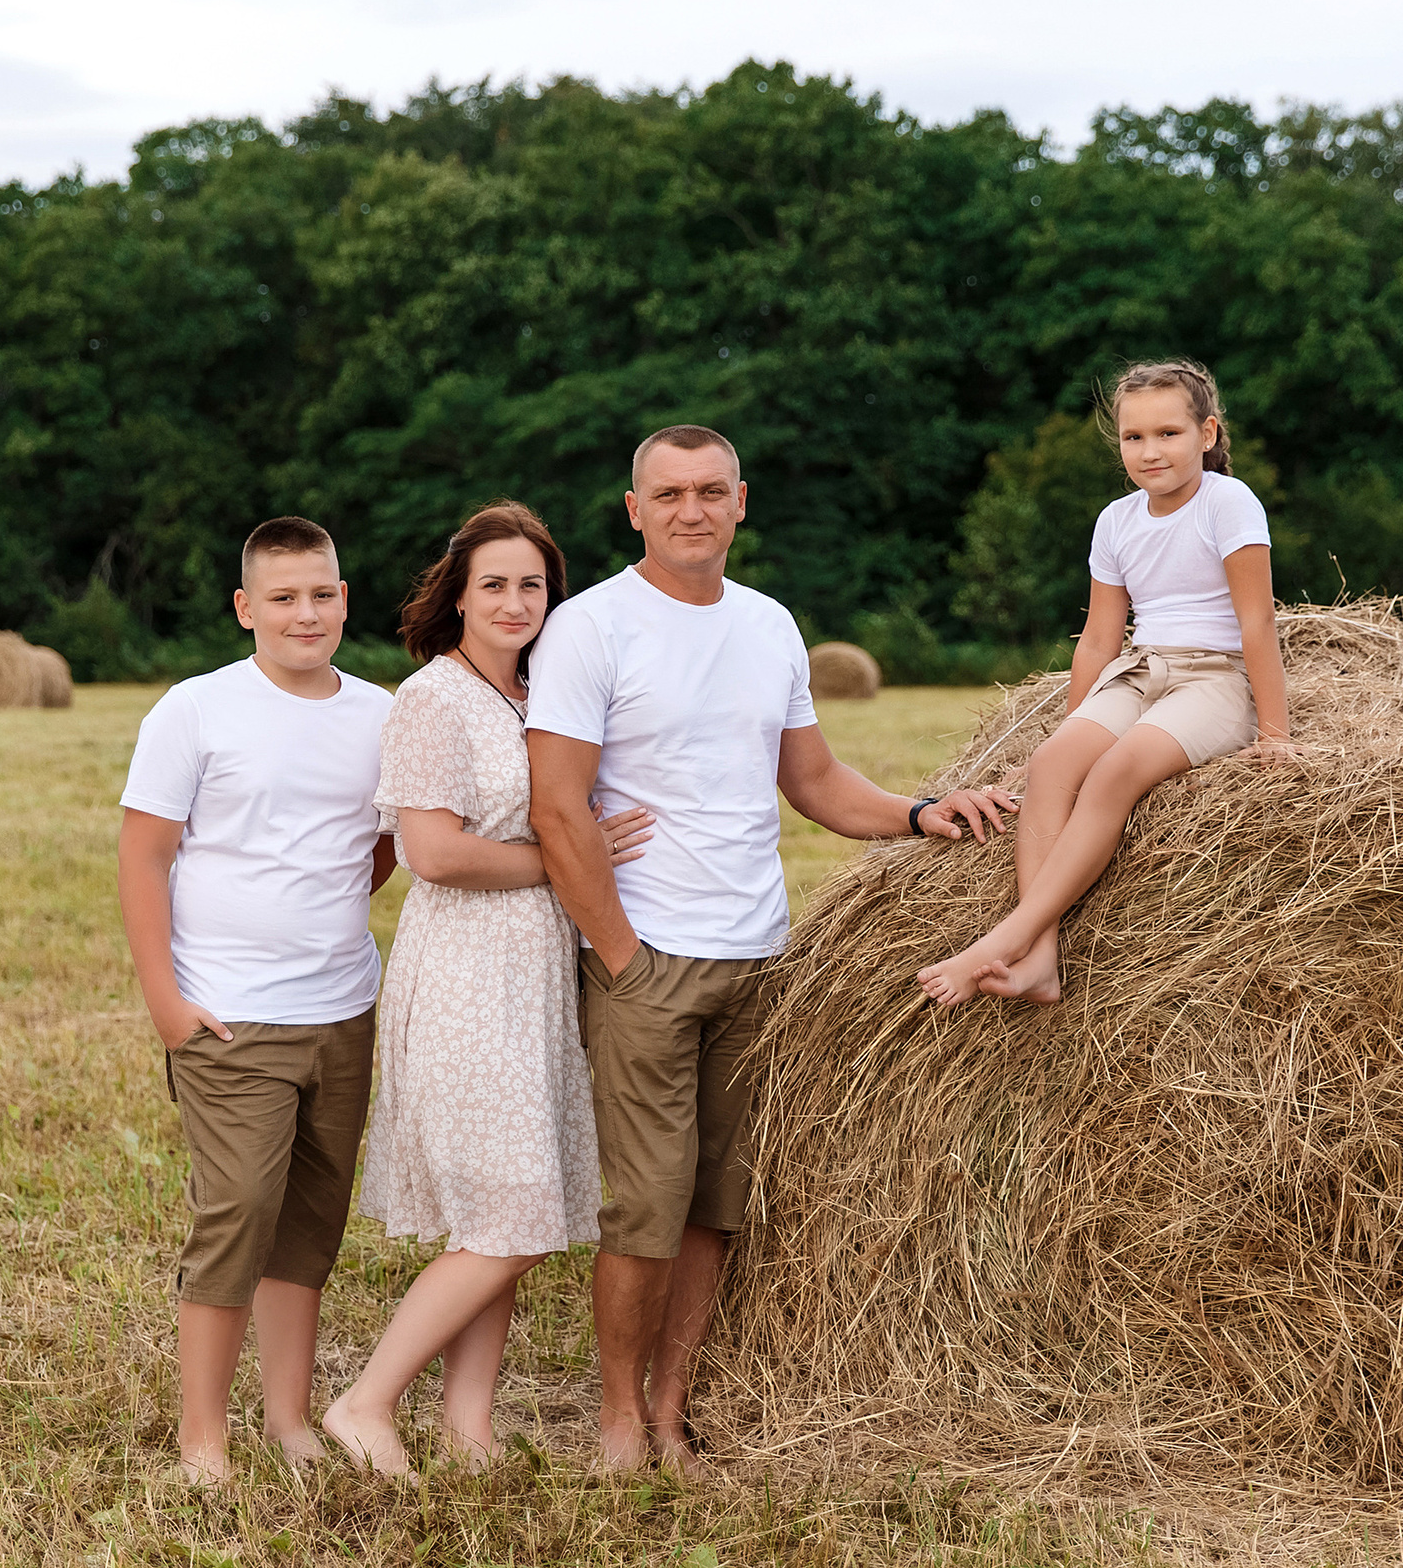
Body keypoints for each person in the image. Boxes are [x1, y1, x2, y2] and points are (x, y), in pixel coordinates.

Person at [525, 425, 1020, 1471]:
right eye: (668, 494)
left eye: (710, 491)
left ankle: (671, 1405)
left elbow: (815, 783)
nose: (690, 510)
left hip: (759, 959)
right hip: (647, 956)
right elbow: (559, 812)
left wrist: (924, 809)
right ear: (633, 509)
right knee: (645, 1204)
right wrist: (620, 957)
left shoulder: (770, 627)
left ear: (740, 502)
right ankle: (617, 1419)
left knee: (718, 1201)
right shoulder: (589, 628)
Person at [322, 503, 656, 1477]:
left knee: (505, 1213)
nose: (516, 601)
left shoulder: (534, 695)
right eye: (495, 584)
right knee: (511, 1215)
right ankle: (365, 1401)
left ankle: (469, 1432)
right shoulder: (434, 698)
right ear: (457, 596)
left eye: (533, 585)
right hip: (468, 974)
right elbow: (432, 852)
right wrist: (566, 860)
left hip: (536, 977)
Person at [116, 516, 396, 1486]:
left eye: (321, 594)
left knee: (311, 1222)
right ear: (245, 608)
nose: (304, 612)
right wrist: (167, 1001)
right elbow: (144, 858)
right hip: (229, 1013)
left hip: (344, 1008)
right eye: (282, 597)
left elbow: (388, 842)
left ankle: (286, 1418)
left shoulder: (380, 713)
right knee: (237, 1210)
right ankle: (204, 1436)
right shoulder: (194, 711)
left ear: (344, 600)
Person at [915, 359, 1299, 1008]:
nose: (1151, 451)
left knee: (1115, 772)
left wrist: (1276, 732)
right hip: (1140, 669)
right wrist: (1072, 726)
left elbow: (1257, 619)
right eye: (1134, 437)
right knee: (1052, 765)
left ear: (1207, 433)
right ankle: (1040, 958)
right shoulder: (1116, 521)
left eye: (1169, 433)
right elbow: (1099, 638)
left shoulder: (1228, 503)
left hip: (1212, 678)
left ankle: (1006, 936)